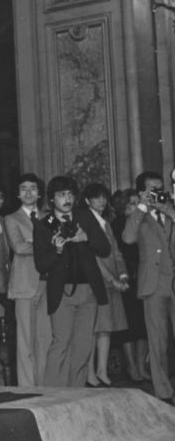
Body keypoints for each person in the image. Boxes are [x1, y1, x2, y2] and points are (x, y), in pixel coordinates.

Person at [34, 176, 109, 388]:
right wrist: (57, 250)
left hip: (89, 291)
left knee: (83, 346)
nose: (66, 199)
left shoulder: (85, 217)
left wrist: (86, 238)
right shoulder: (44, 225)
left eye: (70, 194)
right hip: (62, 292)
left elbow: (105, 248)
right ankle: (52, 394)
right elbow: (41, 265)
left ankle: (77, 393)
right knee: (61, 343)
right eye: (61, 195)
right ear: (51, 200)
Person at [122, 171, 175, 404]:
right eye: (152, 189)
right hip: (153, 285)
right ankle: (164, 392)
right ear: (143, 191)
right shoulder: (138, 216)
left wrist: (170, 211)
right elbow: (127, 238)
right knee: (158, 341)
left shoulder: (171, 211)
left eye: (160, 188)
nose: (158, 193)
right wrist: (142, 207)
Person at [80, 183, 129, 387]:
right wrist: (112, 279)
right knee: (93, 328)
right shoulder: (86, 222)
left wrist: (124, 275)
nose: (101, 201)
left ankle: (101, 370)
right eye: (96, 197)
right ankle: (89, 372)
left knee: (106, 328)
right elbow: (93, 258)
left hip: (113, 281)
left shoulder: (106, 223)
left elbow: (116, 252)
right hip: (96, 281)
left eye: (103, 197)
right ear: (87, 201)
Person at [5, 173, 51, 387]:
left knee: (45, 339)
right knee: (26, 340)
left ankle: (43, 385)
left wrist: (36, 243)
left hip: (48, 283)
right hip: (24, 284)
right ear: (18, 193)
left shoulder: (49, 217)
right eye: (23, 188)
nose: (28, 192)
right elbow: (19, 247)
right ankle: (26, 386)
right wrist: (47, 246)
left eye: (33, 188)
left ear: (39, 192)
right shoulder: (12, 218)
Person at [109, 189, 150, 382]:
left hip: (144, 279)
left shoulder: (146, 223)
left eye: (137, 202)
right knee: (128, 326)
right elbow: (117, 254)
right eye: (131, 203)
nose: (135, 206)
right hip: (126, 280)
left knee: (144, 326)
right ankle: (132, 367)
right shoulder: (116, 225)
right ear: (123, 205)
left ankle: (142, 366)